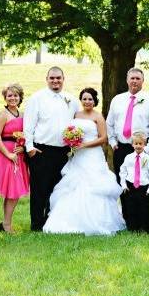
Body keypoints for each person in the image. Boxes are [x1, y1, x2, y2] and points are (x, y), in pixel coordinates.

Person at [43, 88, 125, 236]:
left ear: (95, 101)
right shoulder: (76, 115)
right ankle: (69, 221)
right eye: (84, 99)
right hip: (77, 156)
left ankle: (97, 220)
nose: (87, 102)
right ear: (81, 100)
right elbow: (71, 131)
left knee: (93, 185)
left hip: (92, 156)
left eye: (90, 99)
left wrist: (85, 145)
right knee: (73, 185)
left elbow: (103, 138)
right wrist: (72, 141)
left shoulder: (98, 117)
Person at [23, 67, 79, 232]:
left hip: (63, 152)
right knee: (40, 189)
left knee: (58, 189)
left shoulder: (71, 99)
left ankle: (52, 221)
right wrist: (30, 148)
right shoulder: (37, 98)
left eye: (58, 78)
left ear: (63, 79)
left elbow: (76, 123)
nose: (55, 81)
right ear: (46, 79)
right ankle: (36, 224)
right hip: (41, 151)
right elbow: (28, 125)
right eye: (52, 78)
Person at [106, 67, 149, 190]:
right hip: (120, 147)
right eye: (132, 78)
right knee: (122, 184)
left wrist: (148, 149)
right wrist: (112, 141)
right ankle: (125, 210)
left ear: (143, 81)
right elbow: (109, 123)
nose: (134, 81)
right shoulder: (117, 100)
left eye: (138, 79)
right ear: (127, 80)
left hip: (141, 149)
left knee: (140, 186)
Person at [0, 83, 29, 234]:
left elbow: (27, 134)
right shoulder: (3, 115)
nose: (13, 98)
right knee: (11, 191)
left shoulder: (23, 114)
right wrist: (8, 154)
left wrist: (23, 147)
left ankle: (6, 223)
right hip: (6, 155)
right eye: (9, 96)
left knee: (14, 191)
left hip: (18, 155)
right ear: (5, 98)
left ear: (20, 97)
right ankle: (6, 225)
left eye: (15, 95)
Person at [118, 133, 149, 233]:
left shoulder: (148, 159)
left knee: (143, 209)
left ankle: (146, 228)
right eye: (136, 143)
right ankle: (133, 228)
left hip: (143, 187)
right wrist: (124, 185)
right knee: (131, 209)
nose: (138, 146)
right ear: (132, 145)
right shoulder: (128, 157)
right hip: (130, 186)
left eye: (141, 143)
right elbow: (123, 172)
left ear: (144, 145)